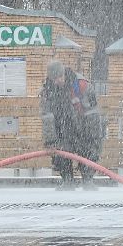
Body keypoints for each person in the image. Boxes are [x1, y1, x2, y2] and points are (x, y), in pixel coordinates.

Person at [40, 59, 106, 187]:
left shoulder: (81, 85)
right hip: (62, 129)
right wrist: (50, 142)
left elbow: (92, 112)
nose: (57, 81)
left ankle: (88, 180)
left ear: (64, 74)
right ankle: (67, 180)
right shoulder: (48, 91)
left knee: (90, 151)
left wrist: (92, 135)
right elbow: (47, 118)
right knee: (60, 152)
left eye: (59, 77)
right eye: (54, 78)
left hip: (84, 126)